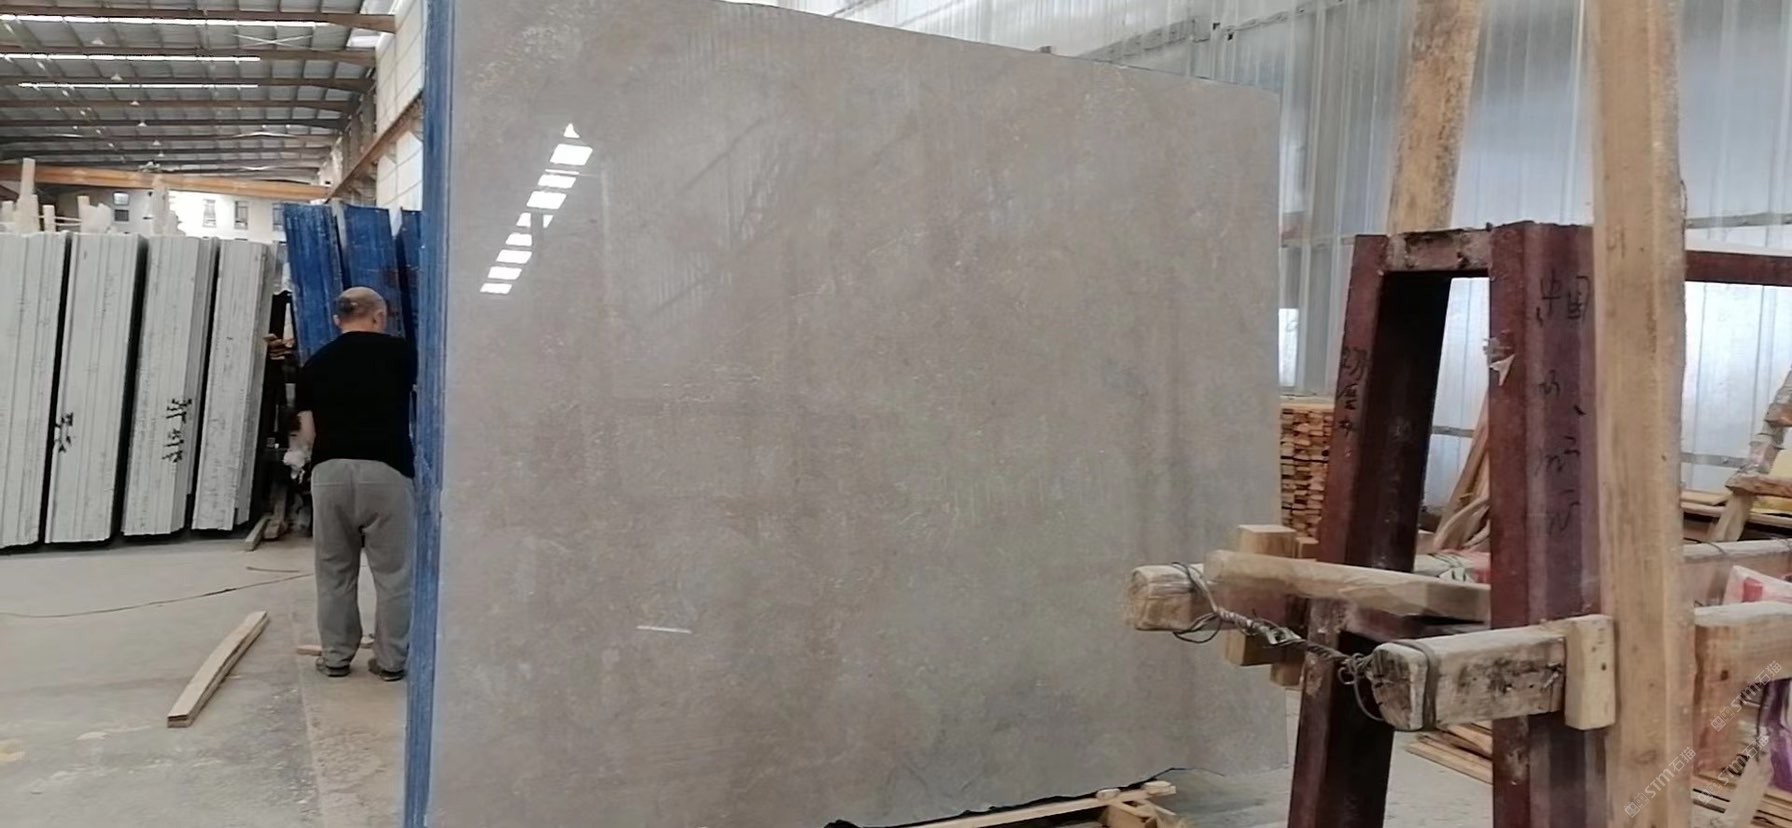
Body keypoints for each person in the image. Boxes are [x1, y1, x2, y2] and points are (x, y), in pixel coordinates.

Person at [288, 287, 416, 681]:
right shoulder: (402, 354)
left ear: (336, 320)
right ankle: (391, 662)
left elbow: (308, 433)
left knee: (334, 572)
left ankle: (337, 657)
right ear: (379, 316)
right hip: (387, 471)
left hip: (330, 474)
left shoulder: (315, 364)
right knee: (394, 574)